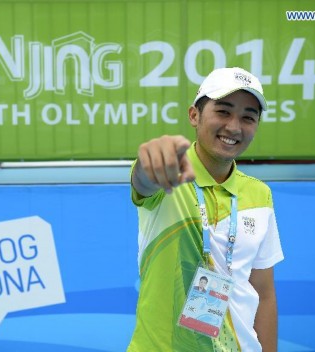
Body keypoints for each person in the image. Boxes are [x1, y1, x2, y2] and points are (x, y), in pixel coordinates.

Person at [127, 67, 284, 352]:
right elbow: (144, 179)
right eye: (223, 112)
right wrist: (151, 161)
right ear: (194, 115)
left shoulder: (260, 195)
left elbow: (263, 294)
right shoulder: (170, 175)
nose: (235, 127)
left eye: (248, 117)